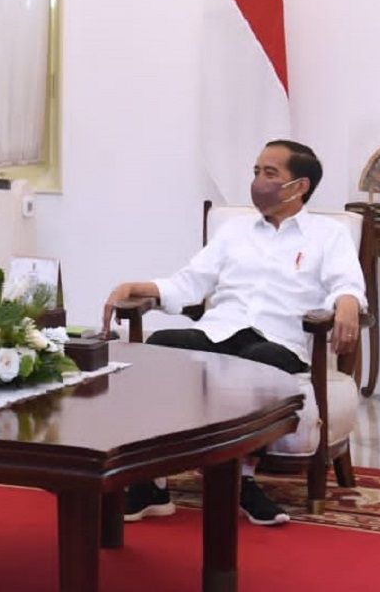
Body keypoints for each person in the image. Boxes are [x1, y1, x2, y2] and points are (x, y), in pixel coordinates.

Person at [101, 140, 366, 526]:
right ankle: (151, 484)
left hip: (278, 341)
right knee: (159, 349)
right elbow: (190, 283)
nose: (259, 182)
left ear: (300, 186)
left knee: (260, 363)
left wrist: (346, 301)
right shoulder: (235, 232)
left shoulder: (328, 235)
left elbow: (348, 283)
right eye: (256, 172)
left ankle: (241, 482)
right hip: (218, 331)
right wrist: (137, 287)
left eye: (270, 174)